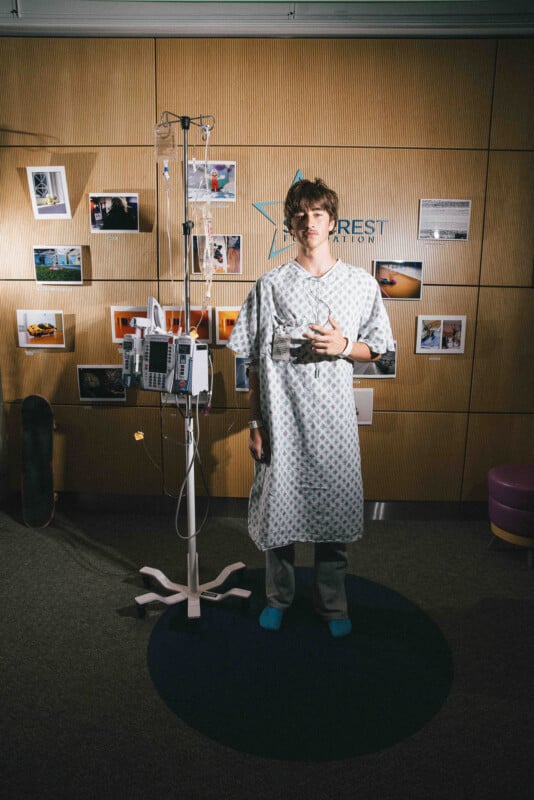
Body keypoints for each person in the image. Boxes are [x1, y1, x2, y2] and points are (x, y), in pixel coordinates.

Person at [227, 178, 394, 637]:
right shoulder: (271, 285)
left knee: (334, 519)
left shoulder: (360, 284)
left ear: (333, 222)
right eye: (300, 216)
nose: (309, 223)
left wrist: (344, 346)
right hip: (282, 420)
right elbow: (252, 359)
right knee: (279, 515)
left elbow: (379, 347)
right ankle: (278, 598)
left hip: (334, 424)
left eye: (318, 214)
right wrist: (256, 423)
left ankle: (332, 605)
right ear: (290, 225)